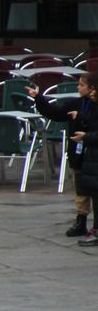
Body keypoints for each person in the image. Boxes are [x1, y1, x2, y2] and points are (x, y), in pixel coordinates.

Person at [40, 73, 98, 242]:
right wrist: (39, 100)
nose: (78, 88)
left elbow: (91, 125)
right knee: (80, 187)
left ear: (92, 88)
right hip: (79, 153)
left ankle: (95, 227)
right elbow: (55, 113)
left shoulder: (94, 107)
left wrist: (80, 120)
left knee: (94, 191)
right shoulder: (76, 103)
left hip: (93, 153)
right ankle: (81, 221)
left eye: (81, 85)